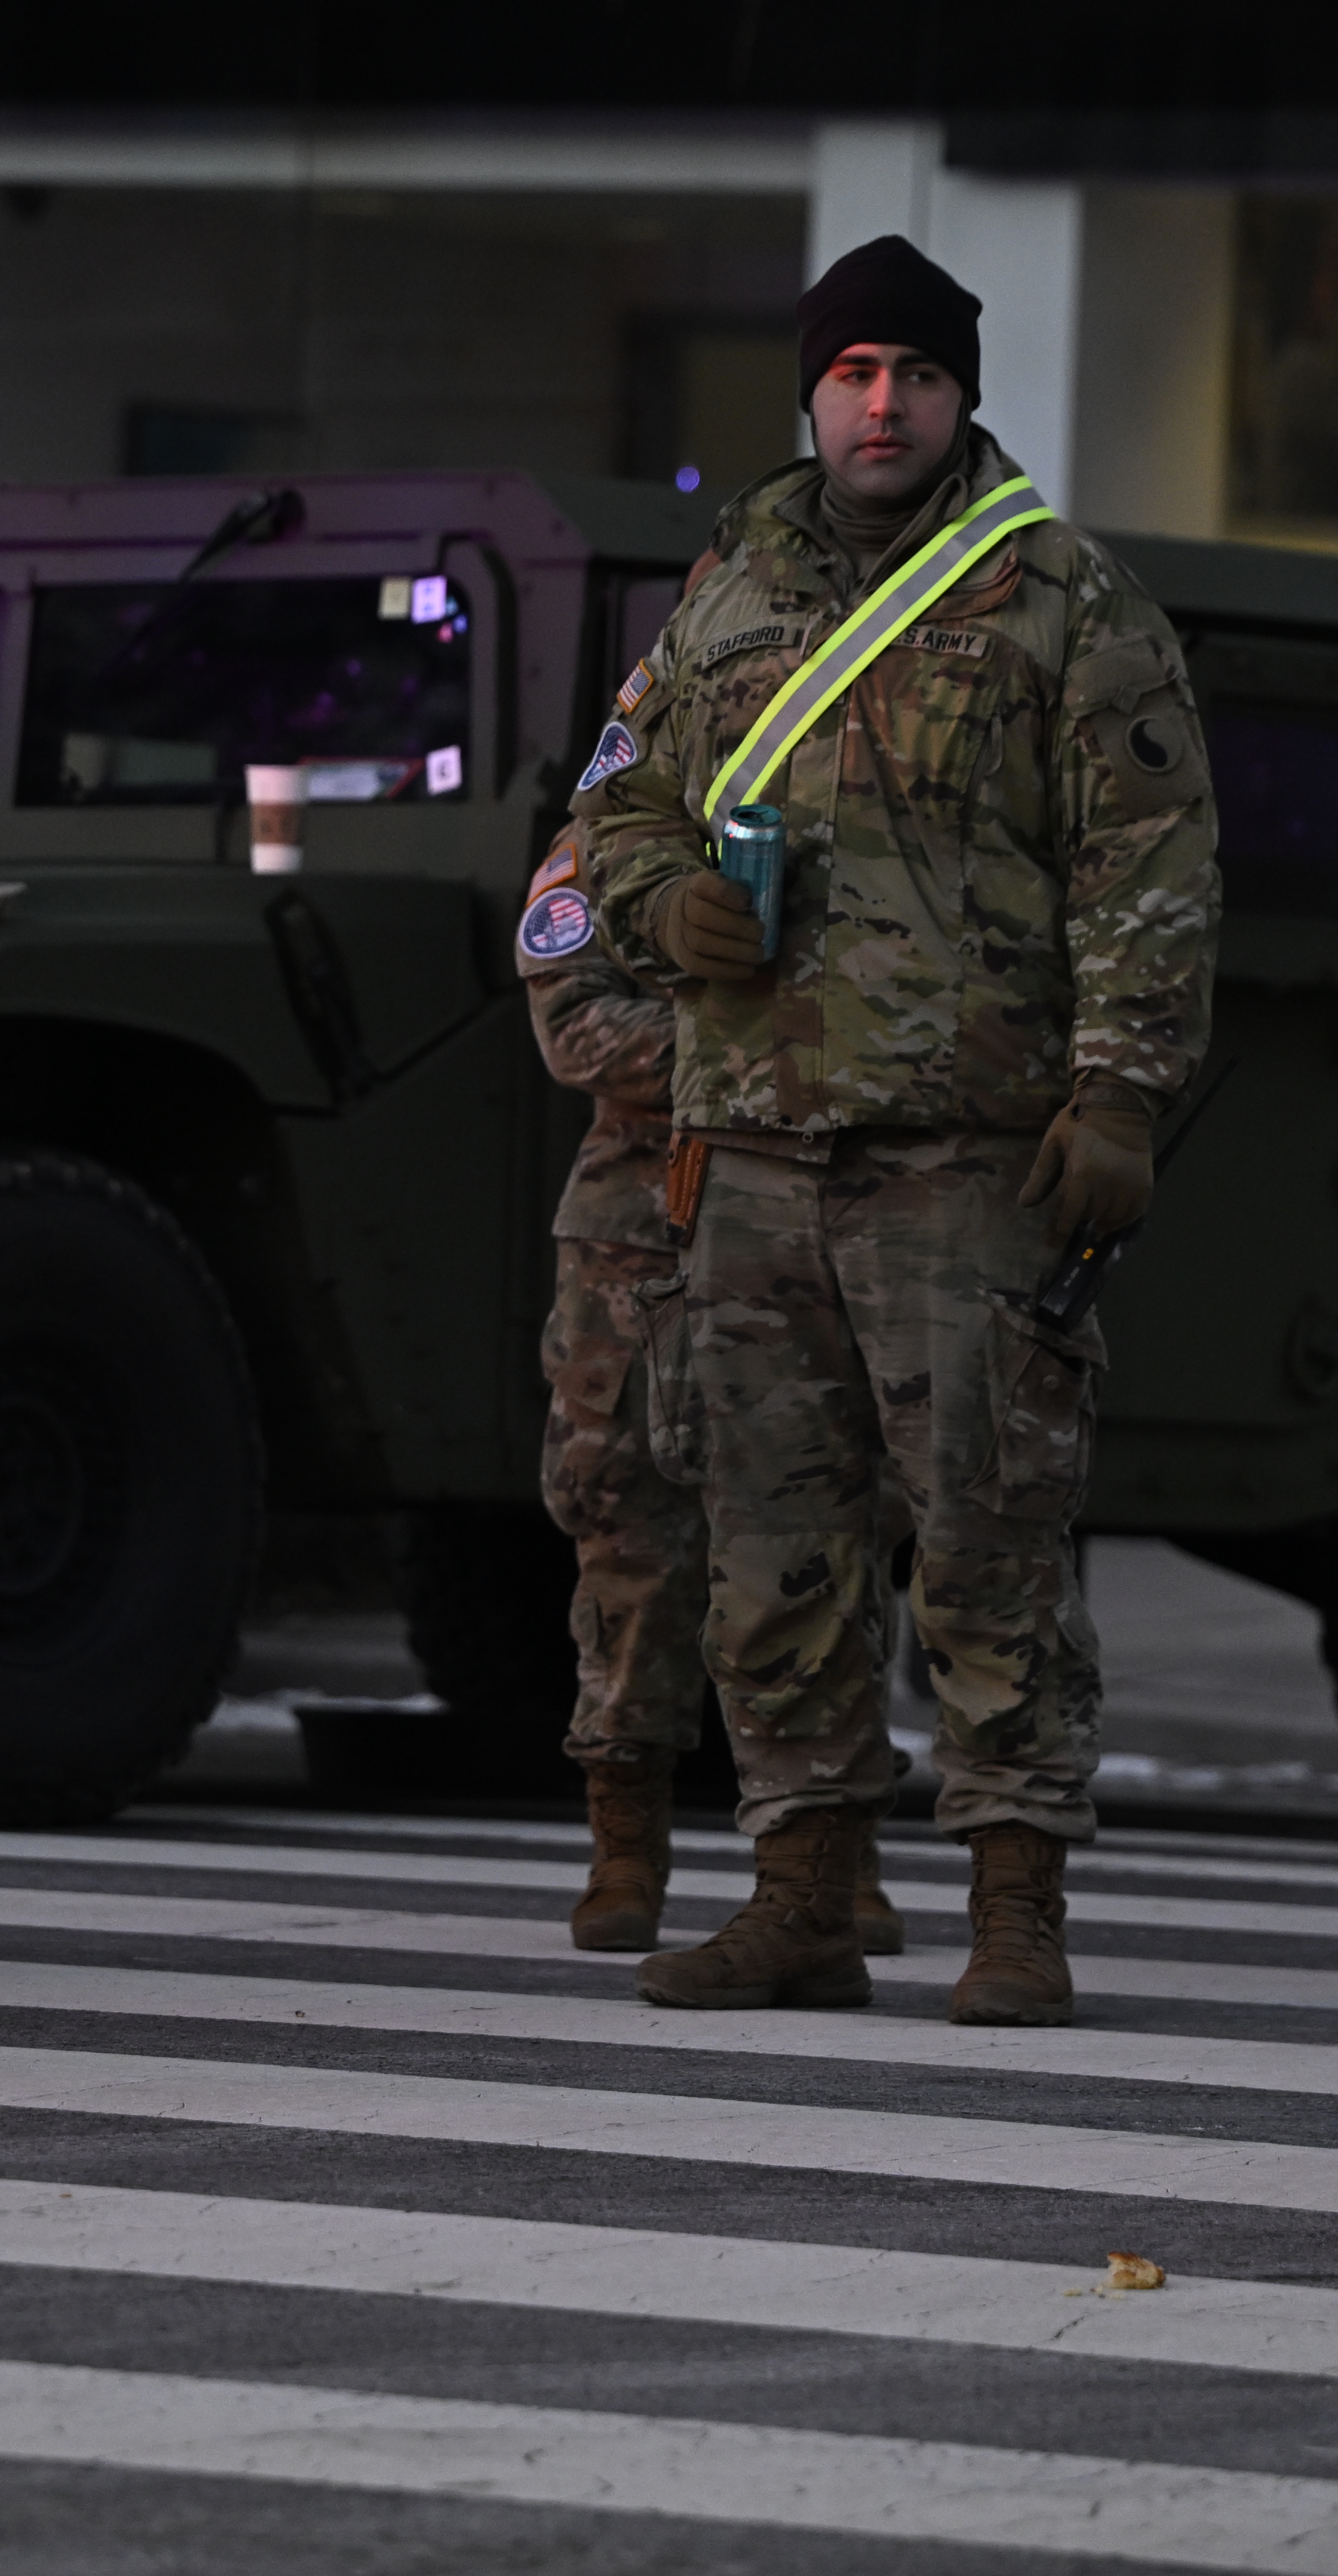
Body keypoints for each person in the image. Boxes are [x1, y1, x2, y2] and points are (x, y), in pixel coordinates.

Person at [568, 234, 1220, 2025]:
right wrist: (660, 906)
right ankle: (801, 1889)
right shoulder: (726, 591)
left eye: (916, 376)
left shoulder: (1057, 600)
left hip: (962, 1153)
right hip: (755, 1141)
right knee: (770, 1534)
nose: (883, 404)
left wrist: (1119, 1091)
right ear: (809, 386)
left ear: (961, 396)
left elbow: (1148, 868)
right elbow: (615, 809)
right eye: (854, 372)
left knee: (985, 1528)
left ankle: (1014, 1900)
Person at [517, 814, 902, 1961]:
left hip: (810, 1212)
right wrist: (769, 1045)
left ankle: (837, 1848)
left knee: (822, 1530)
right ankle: (625, 1842)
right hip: (642, 1227)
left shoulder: (851, 815)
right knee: (626, 1522)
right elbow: (578, 1028)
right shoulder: (612, 834)